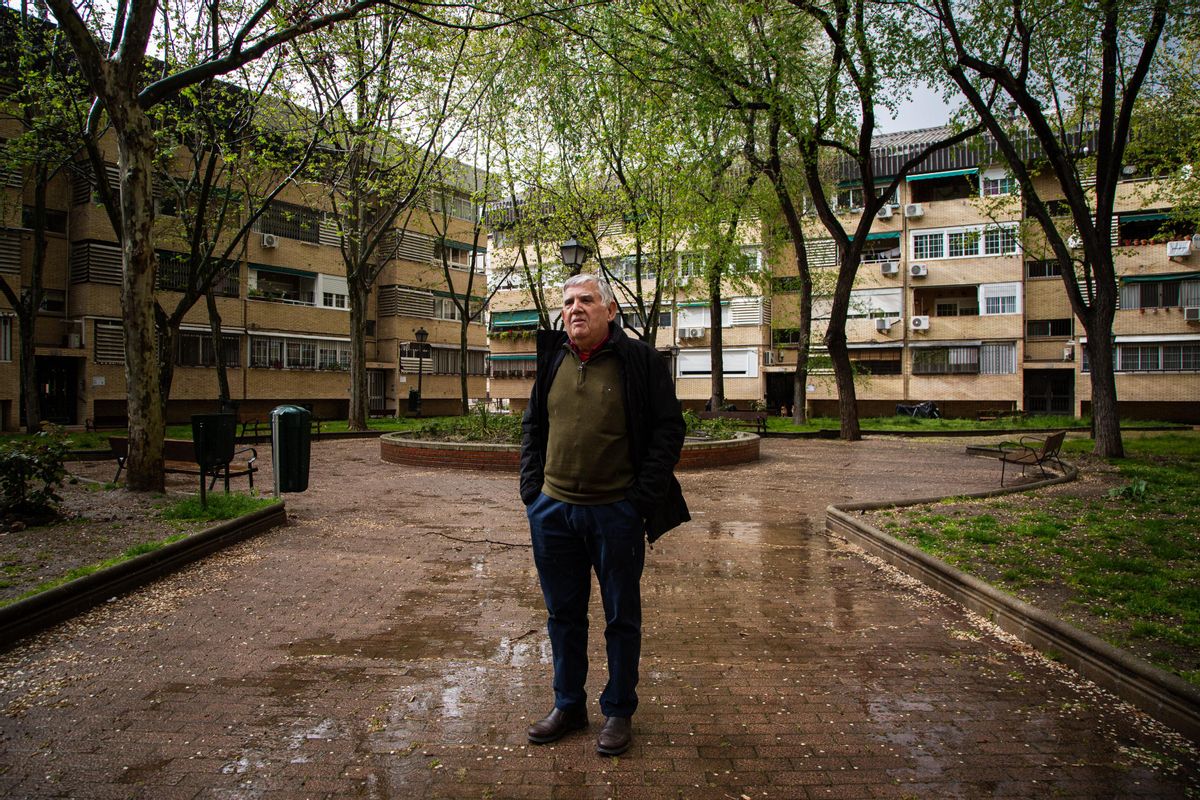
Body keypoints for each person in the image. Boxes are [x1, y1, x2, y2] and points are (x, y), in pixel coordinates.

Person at [520, 273, 689, 756]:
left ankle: (618, 710)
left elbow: (668, 430)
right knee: (563, 616)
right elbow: (534, 424)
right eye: (568, 301)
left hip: (614, 513)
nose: (575, 309)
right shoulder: (553, 356)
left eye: (587, 301)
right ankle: (568, 705)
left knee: (621, 617)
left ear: (610, 311)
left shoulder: (639, 360)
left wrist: (638, 500)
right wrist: (532, 491)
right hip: (552, 512)